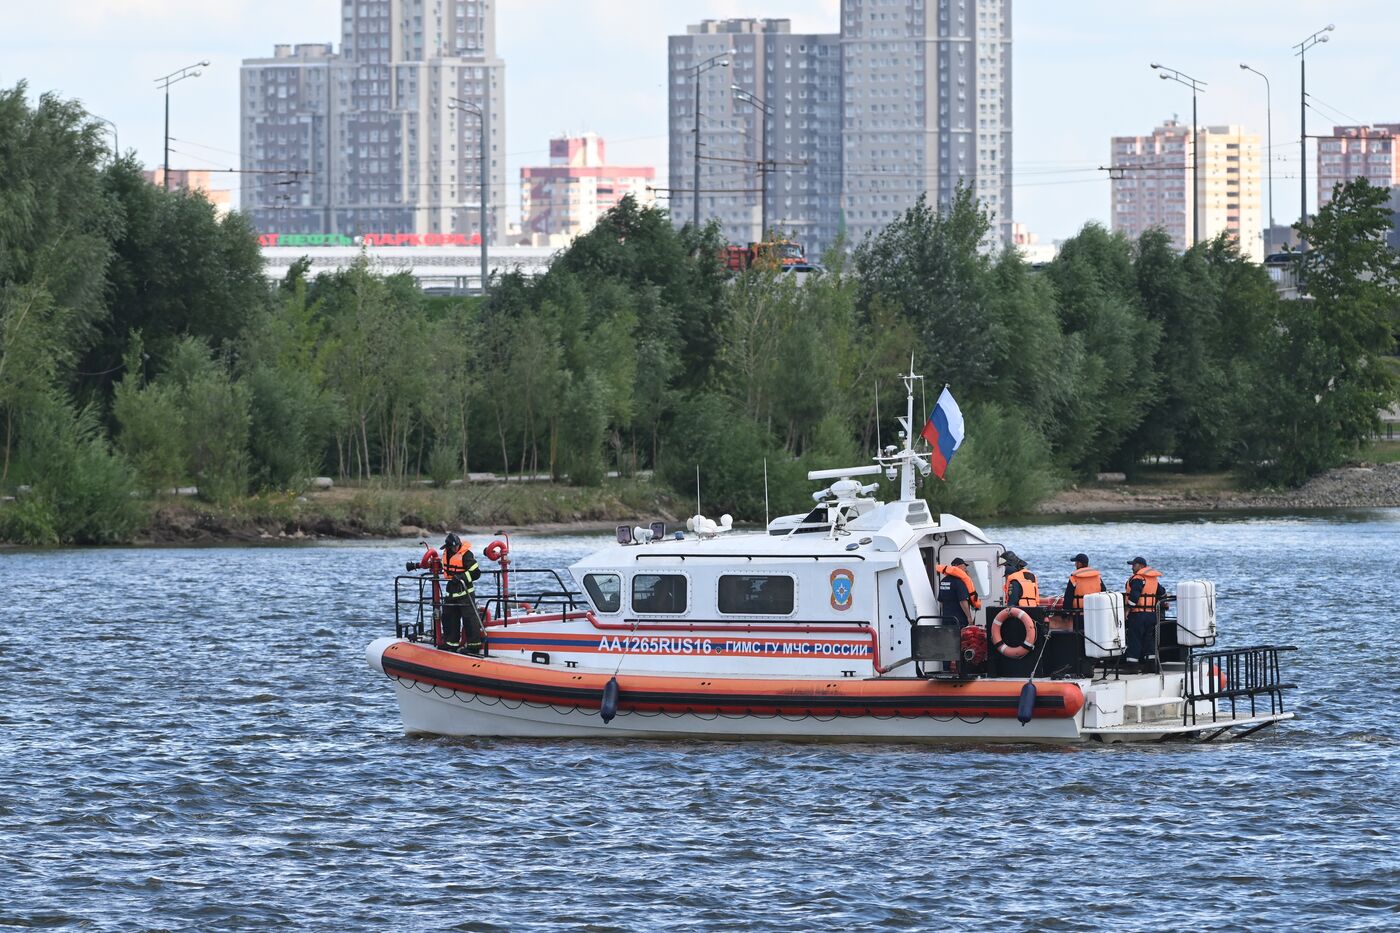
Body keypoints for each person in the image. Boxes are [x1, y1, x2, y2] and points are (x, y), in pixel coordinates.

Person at [441, 533, 483, 653]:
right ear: (448, 547)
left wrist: (461, 577)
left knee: (469, 619)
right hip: (451, 591)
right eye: (453, 547)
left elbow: (476, 573)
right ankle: (451, 643)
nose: (455, 549)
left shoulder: (467, 555)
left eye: (457, 546)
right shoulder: (445, 554)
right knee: (449, 617)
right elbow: (445, 568)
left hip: (465, 591)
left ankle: (474, 646)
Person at [1124, 556, 1165, 670]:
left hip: (1138, 615)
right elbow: (1162, 593)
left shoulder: (1138, 579)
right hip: (1151, 615)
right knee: (1149, 640)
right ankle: (1150, 664)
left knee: (1134, 639)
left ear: (1141, 566)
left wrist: (1127, 609)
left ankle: (1132, 665)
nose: (1132, 567)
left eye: (1134, 565)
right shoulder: (1153, 579)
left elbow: (1134, 598)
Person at [936, 557, 981, 628]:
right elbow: (962, 601)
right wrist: (969, 617)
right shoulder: (959, 582)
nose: (965, 569)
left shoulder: (943, 581)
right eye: (964, 567)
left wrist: (944, 615)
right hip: (959, 620)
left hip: (946, 619)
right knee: (959, 638)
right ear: (959, 566)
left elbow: (941, 601)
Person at [1062, 553, 1105, 626]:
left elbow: (1068, 596)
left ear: (1079, 564)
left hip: (1079, 613)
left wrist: (1066, 612)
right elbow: (1104, 591)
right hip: (1095, 611)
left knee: (1079, 634)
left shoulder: (1074, 577)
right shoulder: (1097, 577)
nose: (1075, 564)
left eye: (1076, 562)